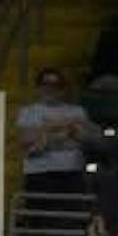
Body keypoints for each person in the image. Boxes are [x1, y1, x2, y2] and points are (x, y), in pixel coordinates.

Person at [16, 68, 92, 196]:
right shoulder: (27, 112)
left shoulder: (78, 111)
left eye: (55, 85)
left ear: (62, 89)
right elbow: (26, 141)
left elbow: (83, 140)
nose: (50, 89)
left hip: (71, 172)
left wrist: (44, 136)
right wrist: (66, 130)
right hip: (38, 174)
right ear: (38, 88)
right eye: (46, 84)